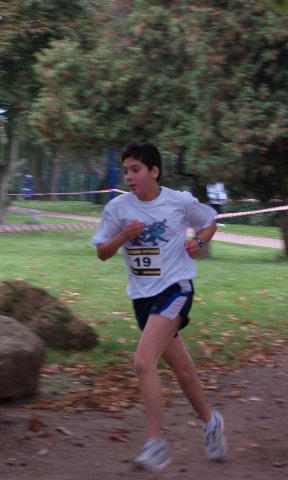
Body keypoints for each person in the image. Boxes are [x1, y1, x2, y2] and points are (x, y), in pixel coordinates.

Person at [91, 143, 227, 471]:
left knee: (143, 361)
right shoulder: (118, 208)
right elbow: (102, 252)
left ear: (154, 171)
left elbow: (210, 220)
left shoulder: (178, 201)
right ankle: (211, 423)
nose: (129, 176)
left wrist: (198, 242)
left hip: (176, 288)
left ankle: (156, 444)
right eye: (126, 171)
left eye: (136, 170)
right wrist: (123, 236)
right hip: (142, 299)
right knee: (183, 371)